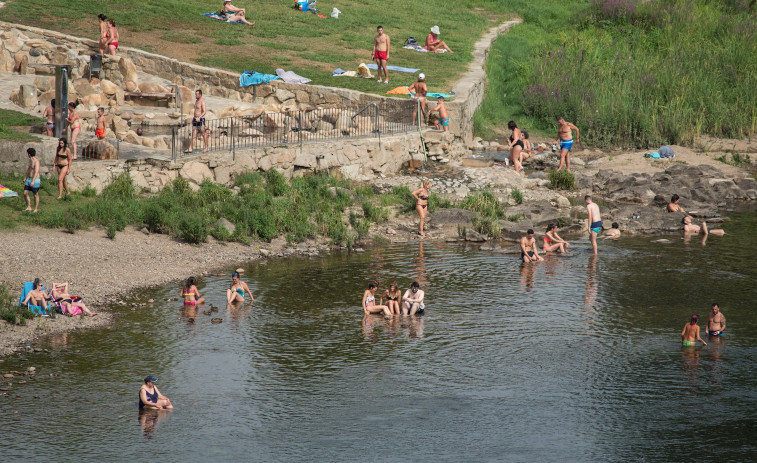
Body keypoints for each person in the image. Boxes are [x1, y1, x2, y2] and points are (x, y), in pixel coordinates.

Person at [23, 148, 41, 213]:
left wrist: (33, 181)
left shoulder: (36, 161)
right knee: (25, 193)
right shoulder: (30, 160)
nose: (27, 155)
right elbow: (28, 169)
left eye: (27, 153)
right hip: (29, 179)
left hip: (35, 180)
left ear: (29, 154)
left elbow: (36, 172)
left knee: (35, 194)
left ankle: (35, 209)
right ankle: (29, 207)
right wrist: (25, 178)